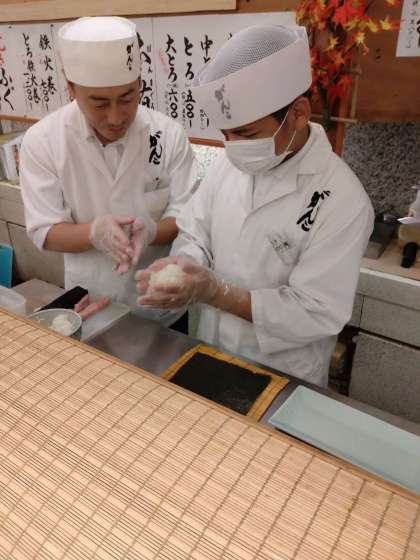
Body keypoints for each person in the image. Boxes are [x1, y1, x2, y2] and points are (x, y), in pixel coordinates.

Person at [136, 24, 374, 386]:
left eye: (246, 134)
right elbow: (196, 233)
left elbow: (316, 311)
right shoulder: (226, 165)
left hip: (283, 372)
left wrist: (216, 292)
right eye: (226, 134)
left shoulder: (342, 199)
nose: (233, 147)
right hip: (211, 349)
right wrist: (183, 270)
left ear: (298, 113)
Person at [20, 16, 198, 329]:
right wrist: (94, 233)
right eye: (99, 103)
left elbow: (188, 215)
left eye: (127, 98)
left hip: (163, 306)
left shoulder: (168, 135)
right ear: (71, 88)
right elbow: (44, 230)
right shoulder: (44, 141)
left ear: (139, 84)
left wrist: (152, 231)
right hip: (91, 304)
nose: (116, 117)